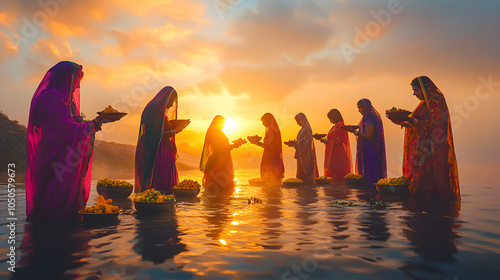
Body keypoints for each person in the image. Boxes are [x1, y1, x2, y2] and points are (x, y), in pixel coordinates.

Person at [26, 61, 121, 221]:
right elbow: (65, 128)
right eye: (75, 80)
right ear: (66, 78)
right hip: (54, 154)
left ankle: (56, 232)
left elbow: (69, 122)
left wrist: (93, 122)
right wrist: (97, 122)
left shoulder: (62, 98)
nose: (76, 86)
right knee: (52, 203)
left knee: (53, 203)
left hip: (60, 152)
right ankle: (51, 234)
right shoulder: (52, 96)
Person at [391, 76, 459, 199]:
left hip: (431, 151)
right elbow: (416, 122)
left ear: (424, 88)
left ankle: (434, 211)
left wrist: (411, 120)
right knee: (418, 185)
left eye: (416, 90)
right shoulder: (423, 104)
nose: (414, 93)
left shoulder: (436, 101)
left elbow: (436, 126)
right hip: (419, 151)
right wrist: (403, 122)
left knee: (429, 186)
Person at [134, 86, 189, 193]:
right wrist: (176, 130)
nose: (172, 105)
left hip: (159, 148)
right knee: (157, 183)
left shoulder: (159, 111)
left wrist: (175, 126)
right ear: (165, 98)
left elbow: (161, 128)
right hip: (156, 150)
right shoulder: (154, 110)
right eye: (171, 101)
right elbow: (156, 134)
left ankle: (162, 202)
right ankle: (156, 201)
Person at [343, 99, 386, 186]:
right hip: (366, 150)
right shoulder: (367, 117)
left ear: (365, 107)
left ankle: (371, 196)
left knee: (370, 176)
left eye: (359, 108)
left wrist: (354, 132)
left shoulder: (368, 118)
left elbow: (368, 136)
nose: (359, 110)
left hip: (369, 151)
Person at [200, 115, 245, 193]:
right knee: (219, 185)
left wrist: (235, 145)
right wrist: (234, 145)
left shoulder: (219, 132)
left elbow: (223, 147)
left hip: (223, 160)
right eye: (223, 123)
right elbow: (219, 149)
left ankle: (222, 201)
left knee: (224, 188)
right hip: (218, 162)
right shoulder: (214, 133)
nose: (224, 125)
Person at [250, 113, 285, 185]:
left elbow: (269, 146)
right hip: (274, 156)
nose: (262, 124)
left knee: (269, 179)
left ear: (267, 120)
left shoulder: (271, 130)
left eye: (263, 122)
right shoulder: (273, 129)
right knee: (274, 181)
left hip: (270, 157)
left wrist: (257, 143)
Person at [321, 109, 352, 182]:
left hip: (338, 155)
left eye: (330, 118)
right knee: (334, 175)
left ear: (334, 117)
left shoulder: (340, 126)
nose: (330, 121)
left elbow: (339, 141)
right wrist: (326, 141)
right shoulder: (335, 126)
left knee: (339, 176)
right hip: (333, 154)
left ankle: (340, 192)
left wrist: (326, 141)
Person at [292, 113, 318, 183]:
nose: (297, 123)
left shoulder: (306, 129)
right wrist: (296, 143)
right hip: (302, 155)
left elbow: (306, 143)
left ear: (301, 120)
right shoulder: (303, 129)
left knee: (306, 174)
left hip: (306, 156)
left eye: (298, 121)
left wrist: (295, 143)